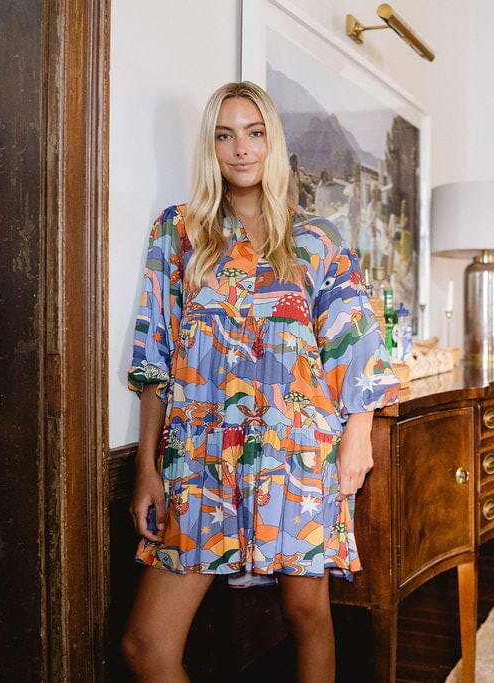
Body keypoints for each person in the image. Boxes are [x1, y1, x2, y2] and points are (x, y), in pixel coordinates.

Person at [120, 81, 400, 682]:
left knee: (306, 616)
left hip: (296, 457)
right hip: (196, 460)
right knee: (147, 646)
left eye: (254, 132)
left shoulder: (316, 238)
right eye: (225, 134)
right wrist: (147, 467)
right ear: (210, 146)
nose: (240, 148)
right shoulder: (177, 233)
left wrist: (359, 433)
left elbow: (357, 344)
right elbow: (154, 358)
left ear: (272, 141)